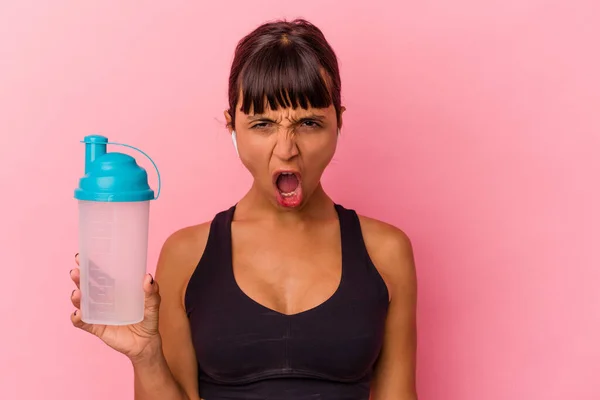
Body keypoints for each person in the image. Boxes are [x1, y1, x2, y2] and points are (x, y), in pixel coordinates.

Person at [69, 18, 418, 400]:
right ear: (232, 126)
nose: (286, 149)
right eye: (263, 124)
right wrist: (146, 355)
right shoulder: (187, 254)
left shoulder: (386, 251)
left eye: (309, 122)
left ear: (338, 122)